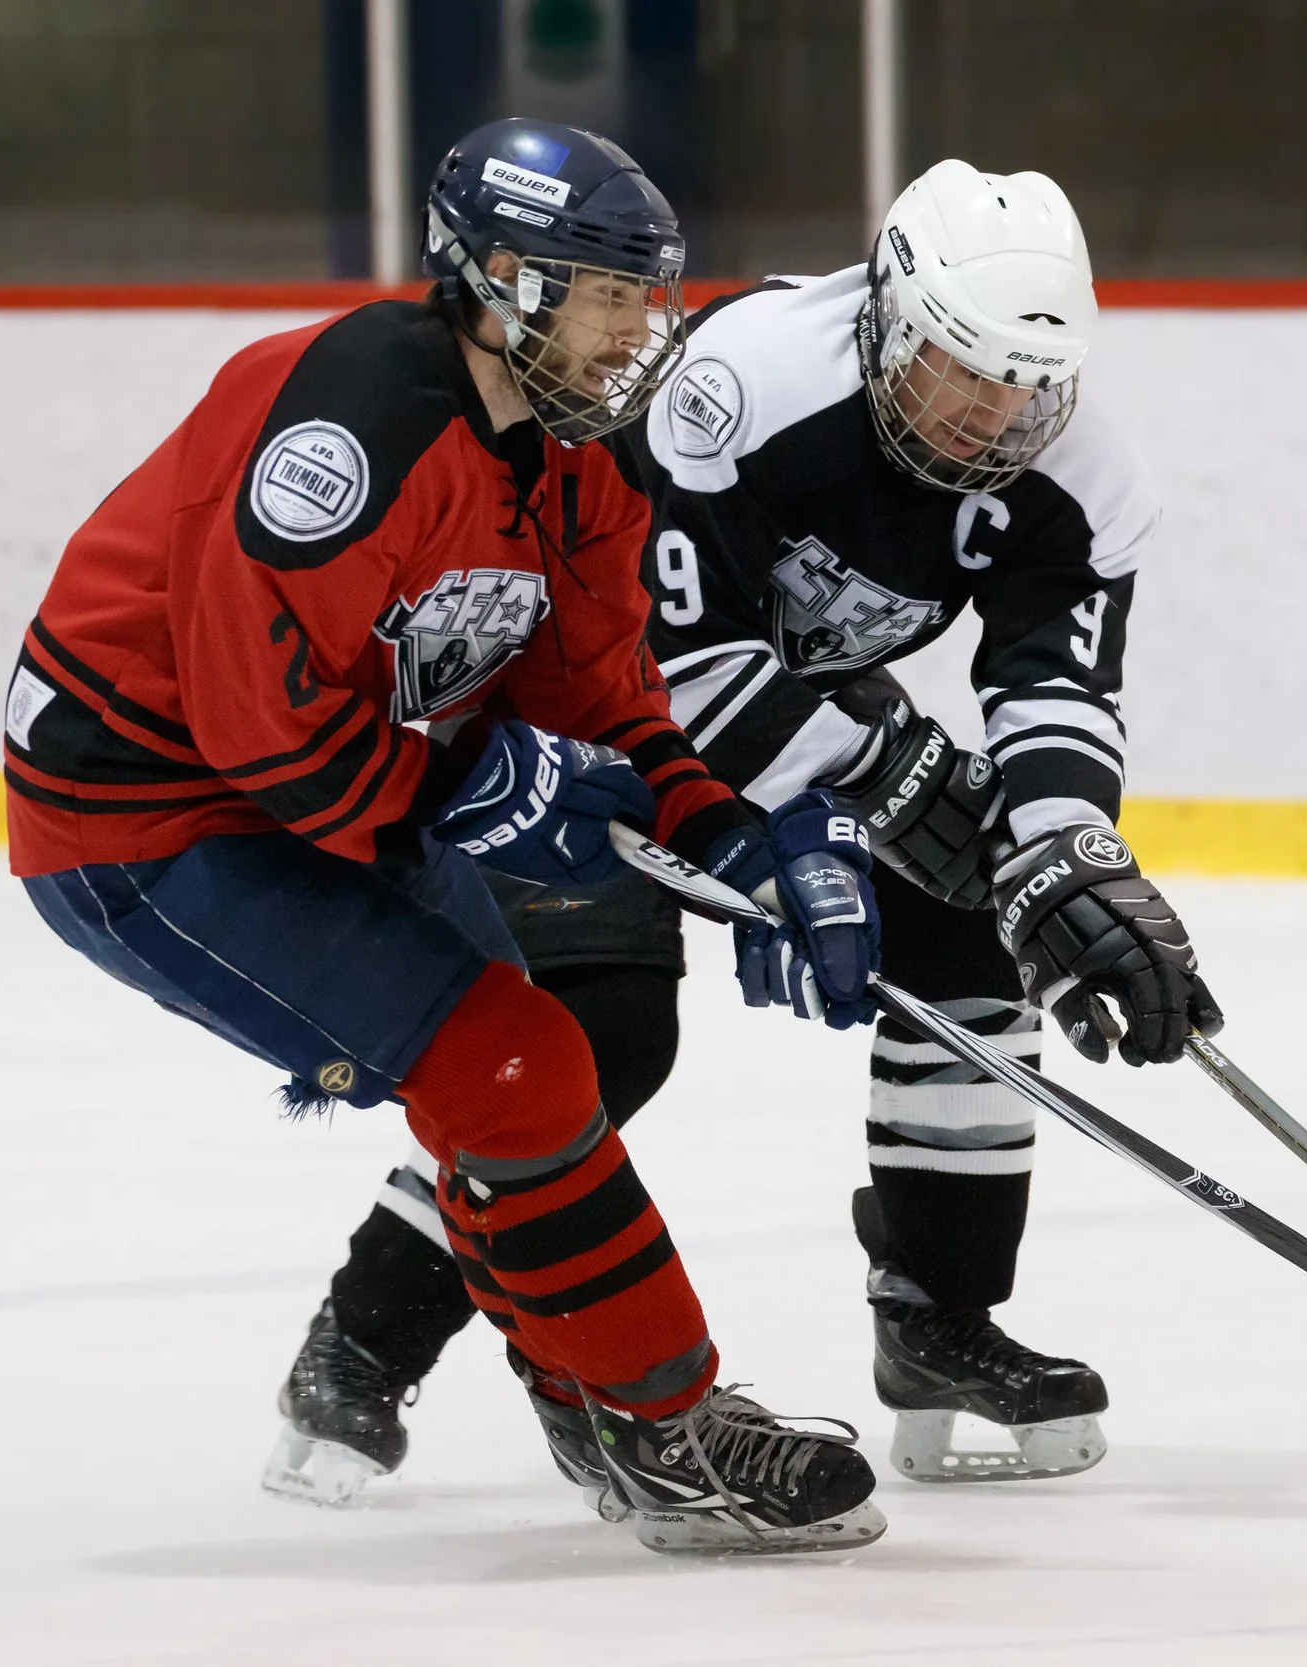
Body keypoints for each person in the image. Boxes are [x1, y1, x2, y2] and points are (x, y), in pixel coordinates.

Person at [4, 117, 886, 1557]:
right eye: (604, 292)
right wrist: (470, 791)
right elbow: (257, 725)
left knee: (525, 1077)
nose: (636, 331)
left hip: (335, 776)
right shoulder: (349, 426)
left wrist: (732, 833)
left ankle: (613, 1412)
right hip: (141, 811)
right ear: (496, 280)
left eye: (643, 293)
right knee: (517, 1067)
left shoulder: (580, 458)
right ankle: (660, 1417)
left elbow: (599, 691)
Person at [278, 157, 1221, 1493]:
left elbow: (1052, 677)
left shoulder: (1084, 477)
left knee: (974, 928)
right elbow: (657, 645)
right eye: (964, 367)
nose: (996, 413)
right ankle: (361, 1348)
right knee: (600, 1032)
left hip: (797, 708)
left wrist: (1067, 848)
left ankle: (939, 1318)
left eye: (1029, 380)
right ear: (887, 315)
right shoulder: (744, 383)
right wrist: (874, 770)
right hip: (585, 702)